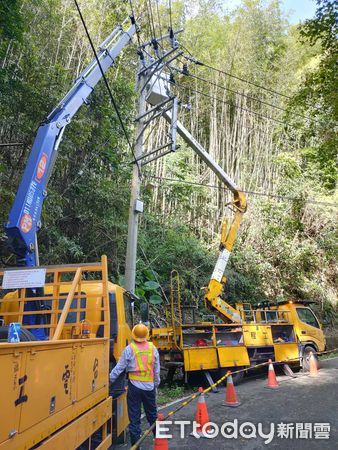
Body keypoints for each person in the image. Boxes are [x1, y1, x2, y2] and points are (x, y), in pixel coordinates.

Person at [109, 323, 160, 447]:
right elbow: (156, 370)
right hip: (149, 387)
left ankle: (136, 446)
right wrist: (156, 384)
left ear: (134, 335)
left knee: (134, 417)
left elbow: (119, 368)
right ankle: (159, 440)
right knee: (152, 415)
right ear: (147, 335)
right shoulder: (153, 349)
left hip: (134, 387)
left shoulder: (129, 349)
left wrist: (109, 380)